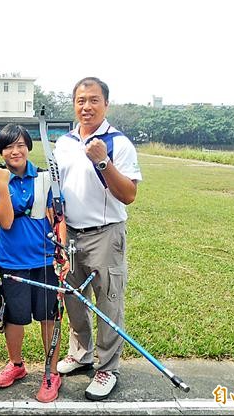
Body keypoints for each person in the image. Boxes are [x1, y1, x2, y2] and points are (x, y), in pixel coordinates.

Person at [53, 77, 143, 401]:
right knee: (72, 297)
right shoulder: (63, 143)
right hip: (70, 234)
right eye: (80, 100)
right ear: (74, 104)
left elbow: (129, 194)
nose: (86, 106)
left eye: (93, 100)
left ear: (105, 103)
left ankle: (108, 367)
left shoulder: (118, 143)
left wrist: (103, 160)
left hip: (105, 234)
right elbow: (57, 188)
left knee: (108, 301)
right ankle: (81, 353)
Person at [0, 124, 64, 403]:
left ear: (28, 147)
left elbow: (59, 217)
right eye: (8, 146)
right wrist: (3, 185)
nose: (15, 151)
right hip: (10, 262)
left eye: (20, 145)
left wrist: (60, 251)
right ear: (0, 151)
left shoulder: (45, 178)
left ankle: (51, 372)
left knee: (48, 317)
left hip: (43, 261)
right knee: (13, 318)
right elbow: (5, 221)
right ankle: (16, 365)